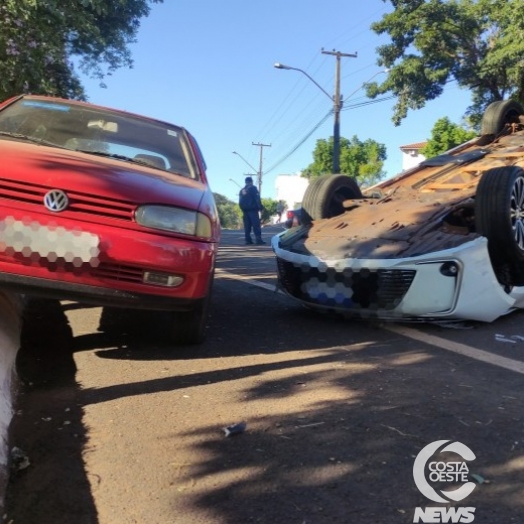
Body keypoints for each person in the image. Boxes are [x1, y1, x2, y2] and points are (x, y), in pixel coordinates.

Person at [239, 176, 265, 245]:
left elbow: (240, 201)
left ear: (245, 182)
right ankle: (258, 239)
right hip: (253, 210)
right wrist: (260, 207)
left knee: (247, 225)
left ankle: (248, 240)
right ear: (251, 181)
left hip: (245, 210)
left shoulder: (242, 190)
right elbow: (257, 198)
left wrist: (242, 209)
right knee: (256, 225)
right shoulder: (253, 188)